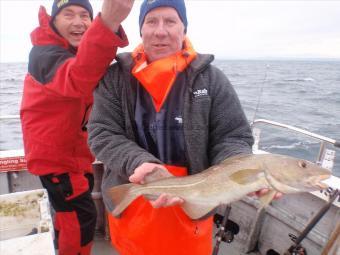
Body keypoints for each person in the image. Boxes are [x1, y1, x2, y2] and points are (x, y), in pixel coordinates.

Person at [87, 0, 254, 254]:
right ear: (141, 30)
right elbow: (102, 132)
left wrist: (239, 166)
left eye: (170, 21)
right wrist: (137, 162)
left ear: (183, 28)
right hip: (135, 199)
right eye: (151, 21)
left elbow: (232, 136)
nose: (160, 31)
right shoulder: (115, 78)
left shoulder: (211, 79)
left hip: (195, 203)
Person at [20, 0, 134, 254]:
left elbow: (92, 70)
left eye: (85, 15)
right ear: (53, 21)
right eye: (68, 14)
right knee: (78, 221)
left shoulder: (74, 54)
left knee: (71, 216)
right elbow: (78, 78)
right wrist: (109, 23)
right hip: (56, 160)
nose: (78, 22)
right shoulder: (44, 55)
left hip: (75, 155)